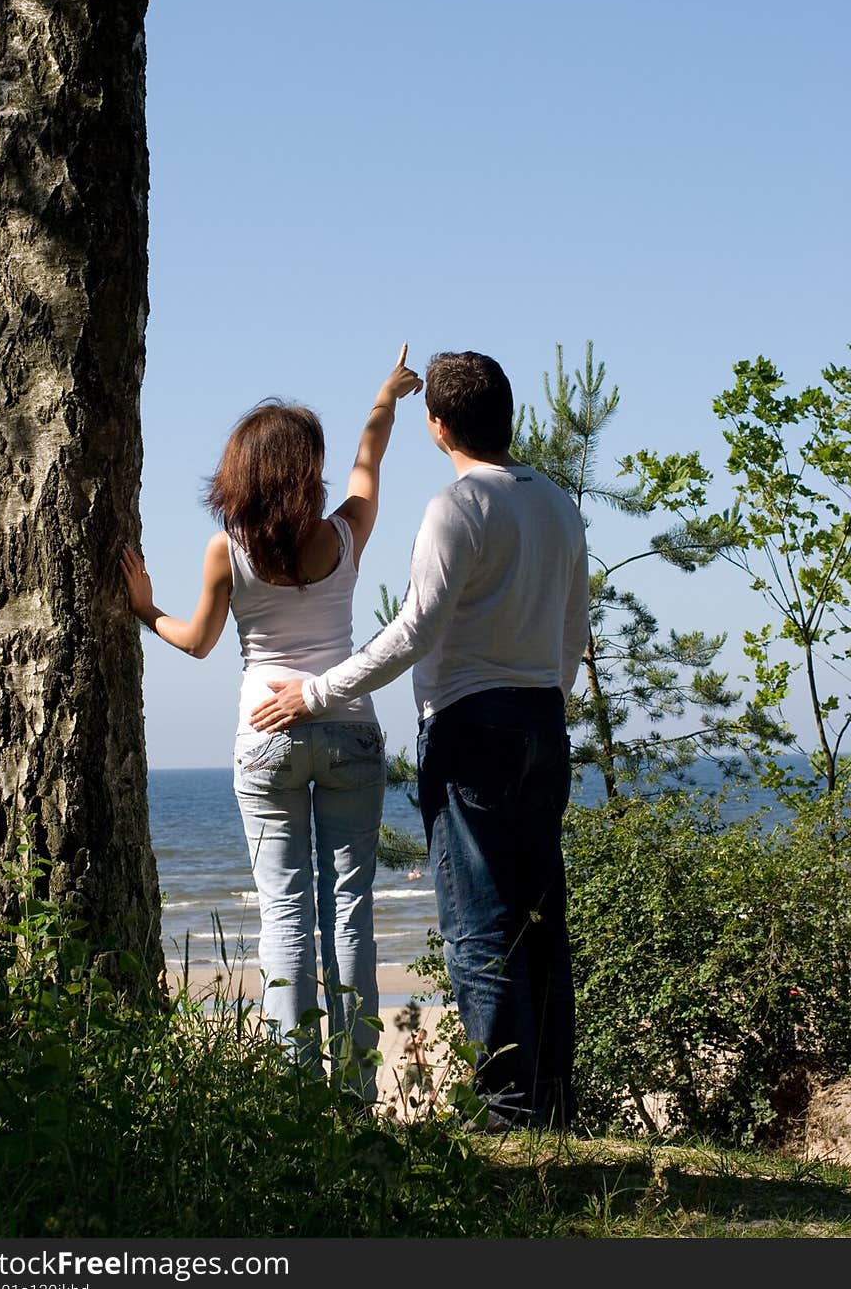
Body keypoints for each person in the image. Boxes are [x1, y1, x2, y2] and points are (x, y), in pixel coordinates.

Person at [251, 350, 590, 1132]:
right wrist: (546, 696)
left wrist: (317, 690)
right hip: (543, 721)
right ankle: (553, 1104)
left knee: (481, 923)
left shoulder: (457, 507)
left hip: (473, 728)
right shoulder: (559, 505)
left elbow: (414, 631)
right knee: (540, 919)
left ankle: (506, 1112)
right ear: (508, 416)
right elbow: (573, 630)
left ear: (438, 427)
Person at [120, 345, 422, 1100]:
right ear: (305, 471)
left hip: (265, 737)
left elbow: (194, 643)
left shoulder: (227, 552)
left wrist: (144, 606)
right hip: (350, 730)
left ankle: (295, 1097)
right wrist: (386, 394)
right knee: (349, 910)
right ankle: (355, 1093)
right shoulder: (346, 533)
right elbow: (371, 459)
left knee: (285, 913)